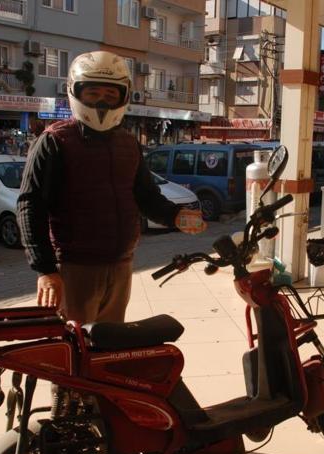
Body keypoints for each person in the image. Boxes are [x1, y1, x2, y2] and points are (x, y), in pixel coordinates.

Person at [18, 51, 205, 324]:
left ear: (123, 96)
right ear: (75, 92)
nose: (102, 102)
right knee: (76, 351)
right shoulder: (54, 141)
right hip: (75, 268)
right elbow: (29, 206)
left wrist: (175, 216)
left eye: (110, 94)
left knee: (110, 350)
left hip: (121, 266)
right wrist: (45, 270)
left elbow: (146, 196)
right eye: (93, 93)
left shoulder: (128, 143)